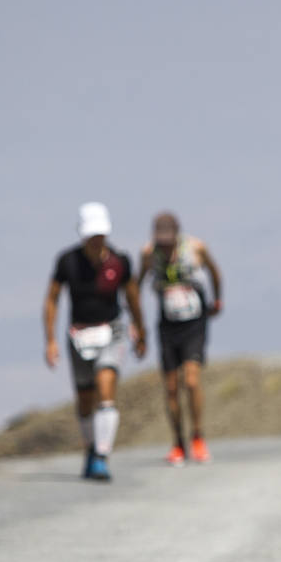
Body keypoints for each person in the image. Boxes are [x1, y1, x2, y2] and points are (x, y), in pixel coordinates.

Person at [43, 202, 146, 481]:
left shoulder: (120, 262)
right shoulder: (67, 262)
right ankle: (90, 448)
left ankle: (102, 455)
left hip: (111, 331)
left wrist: (140, 328)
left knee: (106, 384)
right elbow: (52, 299)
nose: (96, 240)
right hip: (79, 336)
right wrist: (50, 340)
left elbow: (133, 296)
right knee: (85, 397)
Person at [138, 212, 223, 465]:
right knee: (172, 387)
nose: (164, 244)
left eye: (168, 239)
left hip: (194, 322)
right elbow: (135, 284)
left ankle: (197, 435)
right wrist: (137, 323)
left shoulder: (196, 248)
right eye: (160, 240)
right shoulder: (148, 254)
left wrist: (217, 300)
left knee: (192, 380)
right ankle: (177, 441)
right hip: (167, 324)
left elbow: (215, 273)